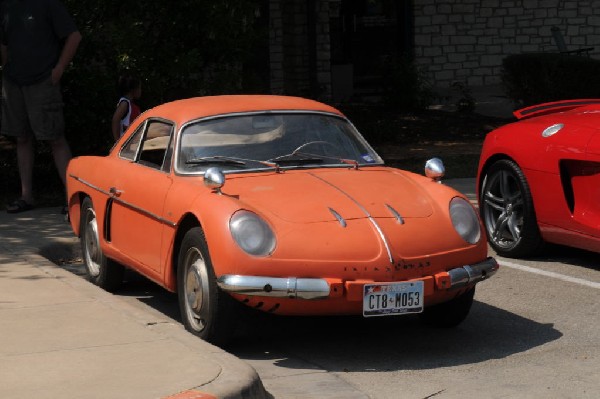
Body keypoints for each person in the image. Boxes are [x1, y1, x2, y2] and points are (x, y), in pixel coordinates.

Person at [1, 0, 82, 214]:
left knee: (55, 138)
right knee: (22, 138)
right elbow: (4, 43)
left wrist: (59, 69)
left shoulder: (48, 4)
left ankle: (72, 198)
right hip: (13, 83)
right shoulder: (6, 6)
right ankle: (26, 196)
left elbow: (74, 36)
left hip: (43, 82)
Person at [111, 74, 142, 140]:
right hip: (125, 144)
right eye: (139, 88)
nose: (140, 90)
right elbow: (115, 120)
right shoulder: (124, 103)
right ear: (133, 89)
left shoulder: (132, 105)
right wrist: (118, 141)